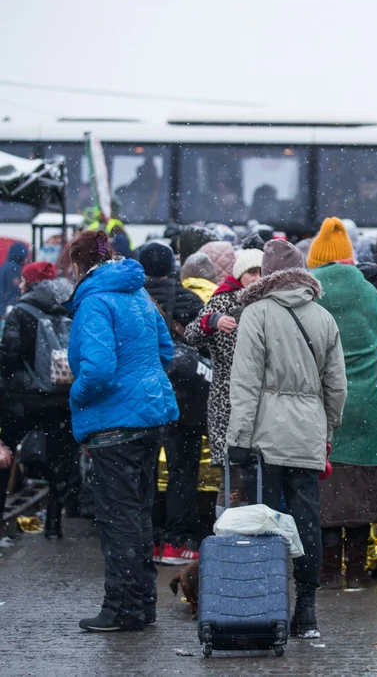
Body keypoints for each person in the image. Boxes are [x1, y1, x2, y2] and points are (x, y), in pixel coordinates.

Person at [227, 240, 347, 638]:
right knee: (306, 520)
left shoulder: (255, 314)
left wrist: (238, 437)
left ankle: (265, 606)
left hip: (264, 437)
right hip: (307, 432)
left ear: (266, 274)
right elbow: (337, 386)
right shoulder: (324, 317)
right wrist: (326, 429)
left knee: (263, 519)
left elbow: (245, 383)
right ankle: (307, 609)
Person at [66, 230, 179, 631]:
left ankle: (121, 610)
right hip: (150, 419)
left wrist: (76, 396)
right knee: (140, 514)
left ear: (78, 265)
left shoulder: (94, 301)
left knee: (118, 520)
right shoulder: (137, 294)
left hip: (115, 426)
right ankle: (142, 606)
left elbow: (96, 371)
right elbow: (166, 351)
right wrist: (141, 382)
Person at [310, 254, 377, 592]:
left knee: (328, 486)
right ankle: (357, 570)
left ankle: (328, 572)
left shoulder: (310, 291)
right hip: (367, 403)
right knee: (362, 484)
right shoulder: (369, 292)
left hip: (325, 399)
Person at [138, 241, 206, 565]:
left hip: (143, 396)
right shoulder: (190, 300)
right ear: (172, 266)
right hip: (185, 399)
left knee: (145, 468)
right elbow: (205, 348)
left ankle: (148, 538)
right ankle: (178, 543)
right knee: (183, 470)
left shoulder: (132, 301)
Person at [0, 261, 77, 539]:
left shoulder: (21, 312)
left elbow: (8, 355)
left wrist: (13, 380)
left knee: (5, 454)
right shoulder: (69, 308)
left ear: (29, 282)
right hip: (61, 398)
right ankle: (54, 525)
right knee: (61, 461)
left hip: (22, 400)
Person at [184, 247, 264, 490]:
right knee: (233, 479)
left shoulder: (268, 302)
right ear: (240, 273)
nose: (257, 278)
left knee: (258, 474)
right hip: (227, 400)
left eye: (261, 272)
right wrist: (212, 322)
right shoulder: (222, 300)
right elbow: (191, 335)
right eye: (251, 272)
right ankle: (229, 525)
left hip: (260, 399)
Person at [0, 242, 29, 319]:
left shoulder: (5, 266)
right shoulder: (14, 268)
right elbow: (14, 290)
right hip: (7, 308)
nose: (26, 259)